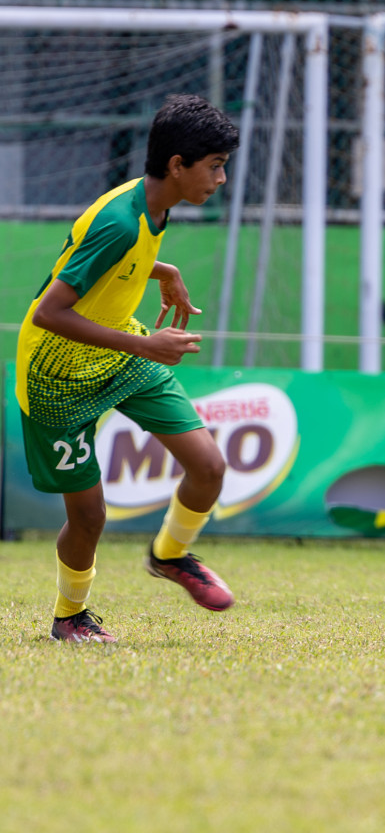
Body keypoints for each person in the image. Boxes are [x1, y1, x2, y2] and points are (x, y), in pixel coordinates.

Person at [18, 94, 239, 643]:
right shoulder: (118, 219)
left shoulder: (154, 205)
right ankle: (69, 617)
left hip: (119, 351)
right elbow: (50, 312)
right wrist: (145, 347)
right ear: (177, 166)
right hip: (57, 373)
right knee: (90, 516)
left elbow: (126, 257)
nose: (221, 178)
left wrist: (163, 269)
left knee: (208, 467)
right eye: (214, 166)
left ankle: (170, 557)